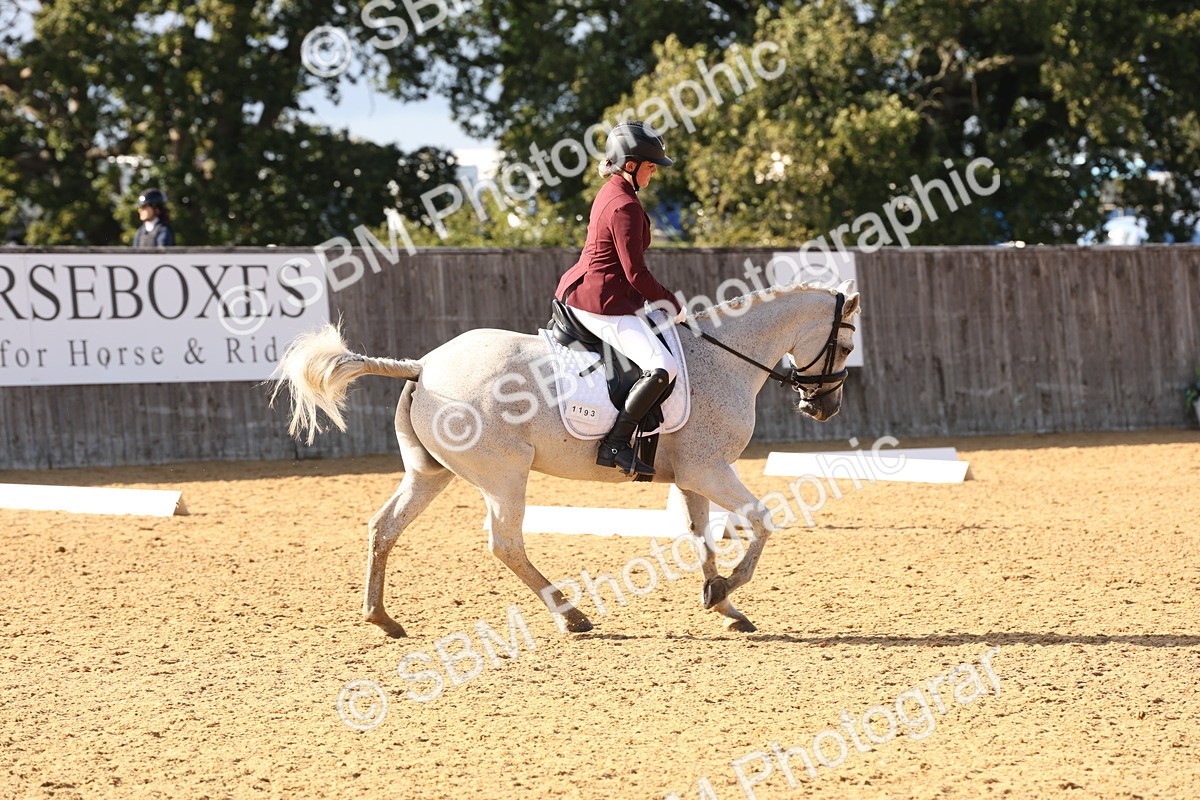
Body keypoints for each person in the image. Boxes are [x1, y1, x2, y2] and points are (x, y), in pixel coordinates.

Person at [554, 120, 686, 478]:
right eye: (650, 166)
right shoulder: (624, 206)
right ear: (631, 165)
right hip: (601, 300)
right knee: (664, 366)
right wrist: (673, 305)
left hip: (593, 290)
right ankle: (616, 442)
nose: (654, 173)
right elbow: (636, 274)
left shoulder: (613, 190)